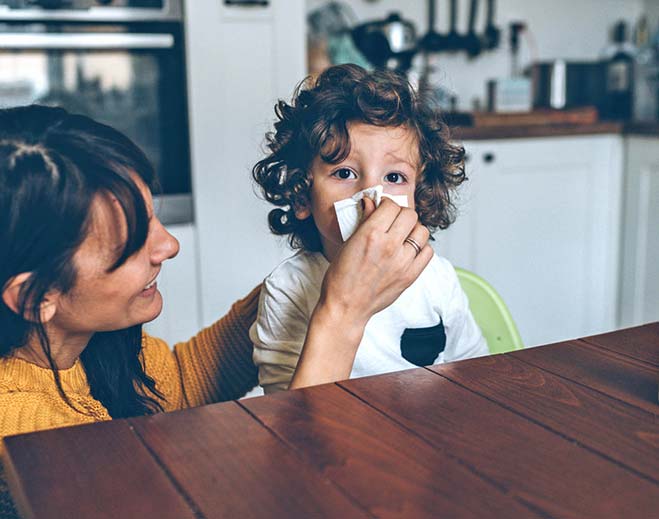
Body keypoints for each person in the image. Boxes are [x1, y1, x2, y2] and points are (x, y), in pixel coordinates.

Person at [0, 105, 431, 517]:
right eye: (132, 243)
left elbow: (182, 382)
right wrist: (342, 311)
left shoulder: (84, 346)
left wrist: (311, 282)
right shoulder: (29, 438)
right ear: (38, 298)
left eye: (153, 217)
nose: (168, 246)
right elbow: (291, 497)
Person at [250, 64, 488, 394]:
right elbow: (283, 412)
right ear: (303, 197)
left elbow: (475, 372)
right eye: (344, 173)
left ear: (417, 199)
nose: (370, 196)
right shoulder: (287, 290)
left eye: (394, 178)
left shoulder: (438, 278)